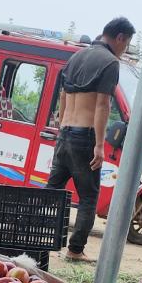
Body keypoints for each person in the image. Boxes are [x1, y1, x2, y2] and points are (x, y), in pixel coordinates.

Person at [46, 16, 135, 263]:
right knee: (88, 197)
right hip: (84, 137)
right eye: (126, 44)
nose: (124, 49)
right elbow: (102, 104)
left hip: (64, 133)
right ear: (120, 38)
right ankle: (75, 249)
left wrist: (63, 125)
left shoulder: (76, 56)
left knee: (51, 190)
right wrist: (99, 145)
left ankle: (35, 235)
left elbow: (63, 95)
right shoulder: (109, 62)